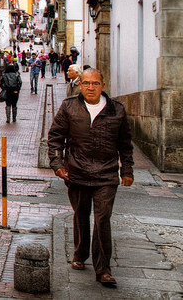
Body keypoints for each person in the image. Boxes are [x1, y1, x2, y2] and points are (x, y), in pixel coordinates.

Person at [47, 69, 134, 288]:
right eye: (86, 83)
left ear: (103, 85)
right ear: (80, 85)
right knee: (81, 213)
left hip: (106, 174)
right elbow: (55, 138)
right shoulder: (69, 106)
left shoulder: (117, 110)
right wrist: (57, 165)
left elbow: (125, 144)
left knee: (102, 219)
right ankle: (80, 253)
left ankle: (103, 269)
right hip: (77, 172)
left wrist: (127, 170)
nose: (90, 88)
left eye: (95, 83)